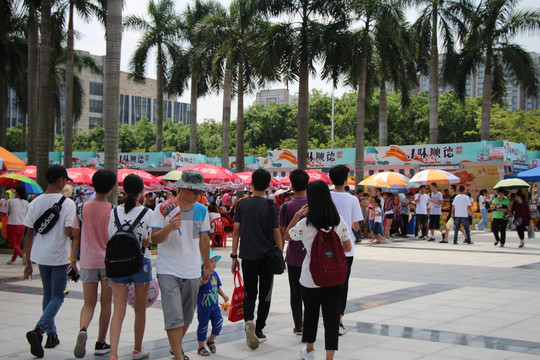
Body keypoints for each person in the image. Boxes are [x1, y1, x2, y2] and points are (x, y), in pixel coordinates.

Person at [284, 180, 352, 360]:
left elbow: (286, 237)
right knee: (331, 319)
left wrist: (297, 215)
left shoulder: (306, 223)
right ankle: (329, 357)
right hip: (335, 277)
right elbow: (346, 247)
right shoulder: (338, 221)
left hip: (310, 277)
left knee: (311, 314)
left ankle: (310, 350)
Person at [151, 170, 212, 360]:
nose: (198, 195)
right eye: (195, 191)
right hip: (168, 268)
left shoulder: (201, 210)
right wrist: (169, 227)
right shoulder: (163, 209)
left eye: (200, 192)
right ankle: (178, 355)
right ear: (183, 188)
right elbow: (154, 239)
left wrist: (207, 265)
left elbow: (204, 239)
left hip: (192, 269)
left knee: (186, 316)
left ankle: (174, 347)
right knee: (173, 315)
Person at [22, 165, 77, 358]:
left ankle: (52, 335)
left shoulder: (35, 203)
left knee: (48, 294)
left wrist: (27, 262)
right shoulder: (68, 204)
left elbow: (29, 234)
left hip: (40, 255)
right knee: (59, 295)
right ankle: (39, 330)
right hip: (60, 257)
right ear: (60, 180)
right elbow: (70, 232)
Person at [231, 169, 283, 350]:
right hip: (268, 257)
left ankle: (249, 321)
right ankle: (259, 329)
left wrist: (234, 256)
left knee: (250, 292)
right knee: (265, 294)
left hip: (248, 256)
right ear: (268, 185)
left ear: (251, 184)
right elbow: (277, 233)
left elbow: (236, 232)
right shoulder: (272, 206)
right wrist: (280, 251)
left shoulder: (242, 205)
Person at [69, 170, 116, 358]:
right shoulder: (113, 210)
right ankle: (100, 342)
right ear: (112, 188)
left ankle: (82, 329)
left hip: (87, 261)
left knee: (88, 303)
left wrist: (73, 262)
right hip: (108, 263)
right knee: (106, 304)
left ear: (93, 185)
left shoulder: (81, 208)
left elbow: (75, 236)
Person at [107, 174, 154, 360]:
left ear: (123, 191)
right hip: (141, 262)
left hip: (117, 262)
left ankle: (113, 354)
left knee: (118, 311)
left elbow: (110, 235)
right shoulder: (148, 213)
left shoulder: (114, 212)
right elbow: (147, 241)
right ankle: (137, 349)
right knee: (139, 309)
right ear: (142, 191)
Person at [328, 165, 362, 335]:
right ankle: (339, 320)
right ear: (346, 179)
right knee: (343, 284)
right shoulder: (353, 200)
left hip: (326, 248)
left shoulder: (326, 197)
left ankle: (328, 317)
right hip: (346, 249)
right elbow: (356, 225)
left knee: (327, 283)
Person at [279, 169, 309, 336]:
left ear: (291, 185)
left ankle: (298, 325)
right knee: (310, 291)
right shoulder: (314, 204)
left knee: (295, 292)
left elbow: (283, 233)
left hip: (293, 256)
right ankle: (308, 323)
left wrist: (280, 252)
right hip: (312, 256)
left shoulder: (286, 207)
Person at [196, 249, 229, 356]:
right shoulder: (199, 275)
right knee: (203, 326)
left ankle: (210, 340)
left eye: (215, 261)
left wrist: (223, 295)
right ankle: (201, 346)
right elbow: (194, 289)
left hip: (214, 307)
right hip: (204, 308)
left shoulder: (215, 275)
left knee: (218, 323)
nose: (214, 263)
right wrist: (201, 282)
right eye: (211, 261)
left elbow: (217, 287)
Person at [6, 184, 29, 264]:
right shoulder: (26, 203)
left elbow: (6, 212)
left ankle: (22, 255)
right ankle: (13, 259)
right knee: (18, 243)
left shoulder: (11, 201)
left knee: (13, 242)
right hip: (22, 224)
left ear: (17, 193)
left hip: (12, 223)